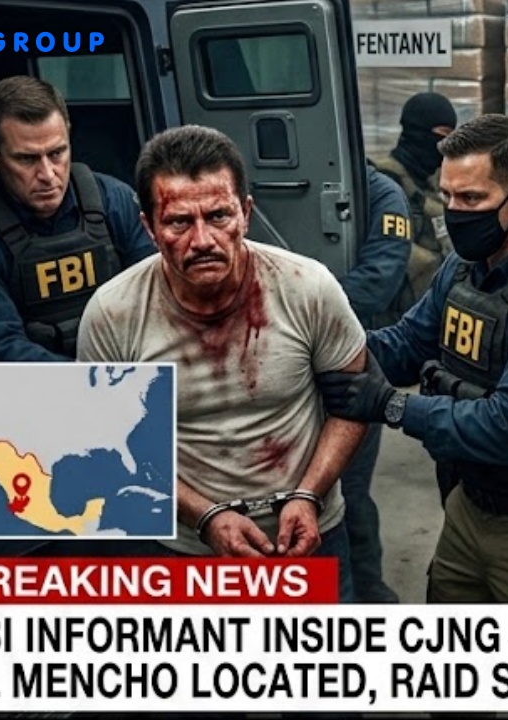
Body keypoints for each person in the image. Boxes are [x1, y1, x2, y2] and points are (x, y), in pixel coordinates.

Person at [316, 114, 508, 603]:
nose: (456, 212)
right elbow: (407, 344)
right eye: (449, 196)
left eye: (472, 199)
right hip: (467, 507)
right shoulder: (462, 268)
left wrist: (392, 406)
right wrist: (320, 348)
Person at [76, 125, 370, 601]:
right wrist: (204, 517)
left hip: (308, 540)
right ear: (149, 227)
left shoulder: (307, 287)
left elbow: (355, 404)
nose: (202, 240)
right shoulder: (113, 314)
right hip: (185, 552)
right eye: (178, 222)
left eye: (218, 216)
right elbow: (108, 447)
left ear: (245, 213)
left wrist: (309, 494)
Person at [0, 75, 155, 361]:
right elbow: (3, 347)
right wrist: (94, 380)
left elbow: (157, 306)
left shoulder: (114, 201)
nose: (47, 174)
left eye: (57, 153)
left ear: (68, 136)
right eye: (27, 159)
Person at [334, 166, 414, 603]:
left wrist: (300, 308)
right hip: (283, 370)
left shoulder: (381, 195)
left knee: (349, 494)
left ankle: (368, 591)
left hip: (352, 368)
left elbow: (377, 284)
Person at [369, 92, 458, 320]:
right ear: (417, 132)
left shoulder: (431, 183)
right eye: (442, 136)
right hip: (396, 317)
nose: (444, 147)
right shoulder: (385, 183)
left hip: (429, 310)